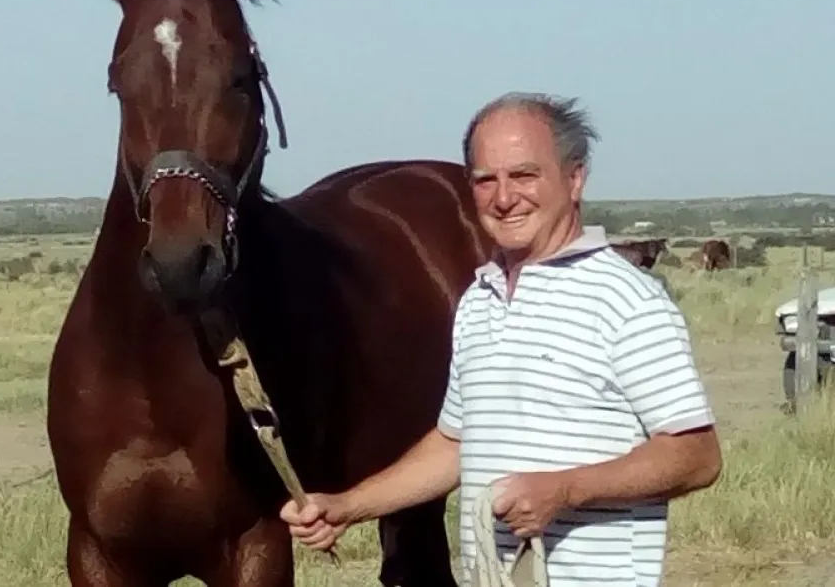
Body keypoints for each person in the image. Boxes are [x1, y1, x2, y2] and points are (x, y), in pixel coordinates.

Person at [279, 92, 722, 586]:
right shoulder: (479, 300)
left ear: (575, 179)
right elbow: (455, 444)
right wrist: (348, 506)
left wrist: (566, 491)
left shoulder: (626, 300)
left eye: (524, 175)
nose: (504, 197)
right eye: (486, 180)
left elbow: (697, 456)